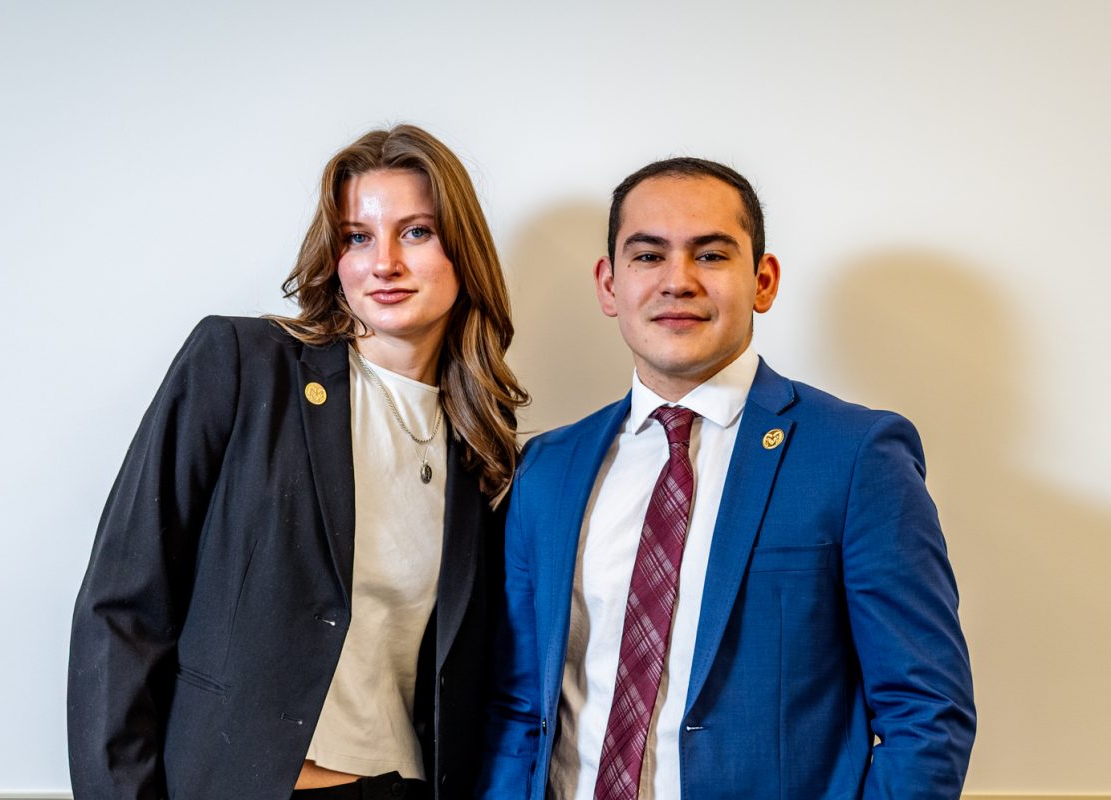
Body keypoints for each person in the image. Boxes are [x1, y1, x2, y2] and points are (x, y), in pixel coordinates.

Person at [478, 158, 976, 799]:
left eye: (711, 256)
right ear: (609, 286)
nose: (678, 282)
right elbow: (519, 708)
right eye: (648, 256)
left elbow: (925, 712)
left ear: (762, 281)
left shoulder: (855, 457)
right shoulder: (547, 469)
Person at [68, 124, 527, 800]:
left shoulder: (481, 440)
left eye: (417, 232)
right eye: (358, 237)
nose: (385, 263)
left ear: (463, 249)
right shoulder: (242, 366)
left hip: (400, 785)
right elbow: (123, 608)